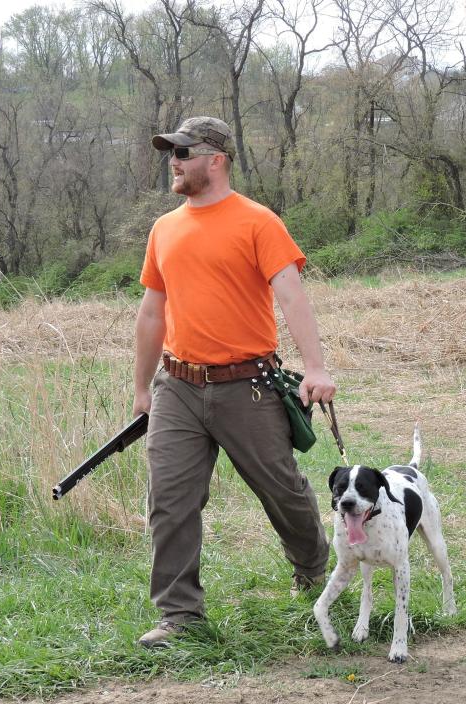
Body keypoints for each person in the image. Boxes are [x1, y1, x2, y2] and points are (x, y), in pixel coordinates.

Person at [133, 116, 336, 648]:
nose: (173, 162)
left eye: (183, 152)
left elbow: (291, 294)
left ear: (216, 160)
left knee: (282, 490)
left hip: (247, 384)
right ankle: (180, 616)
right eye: (170, 153)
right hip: (176, 385)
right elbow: (153, 313)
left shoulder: (257, 222)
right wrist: (140, 390)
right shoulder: (164, 229)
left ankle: (315, 566)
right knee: (170, 498)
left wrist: (314, 368)